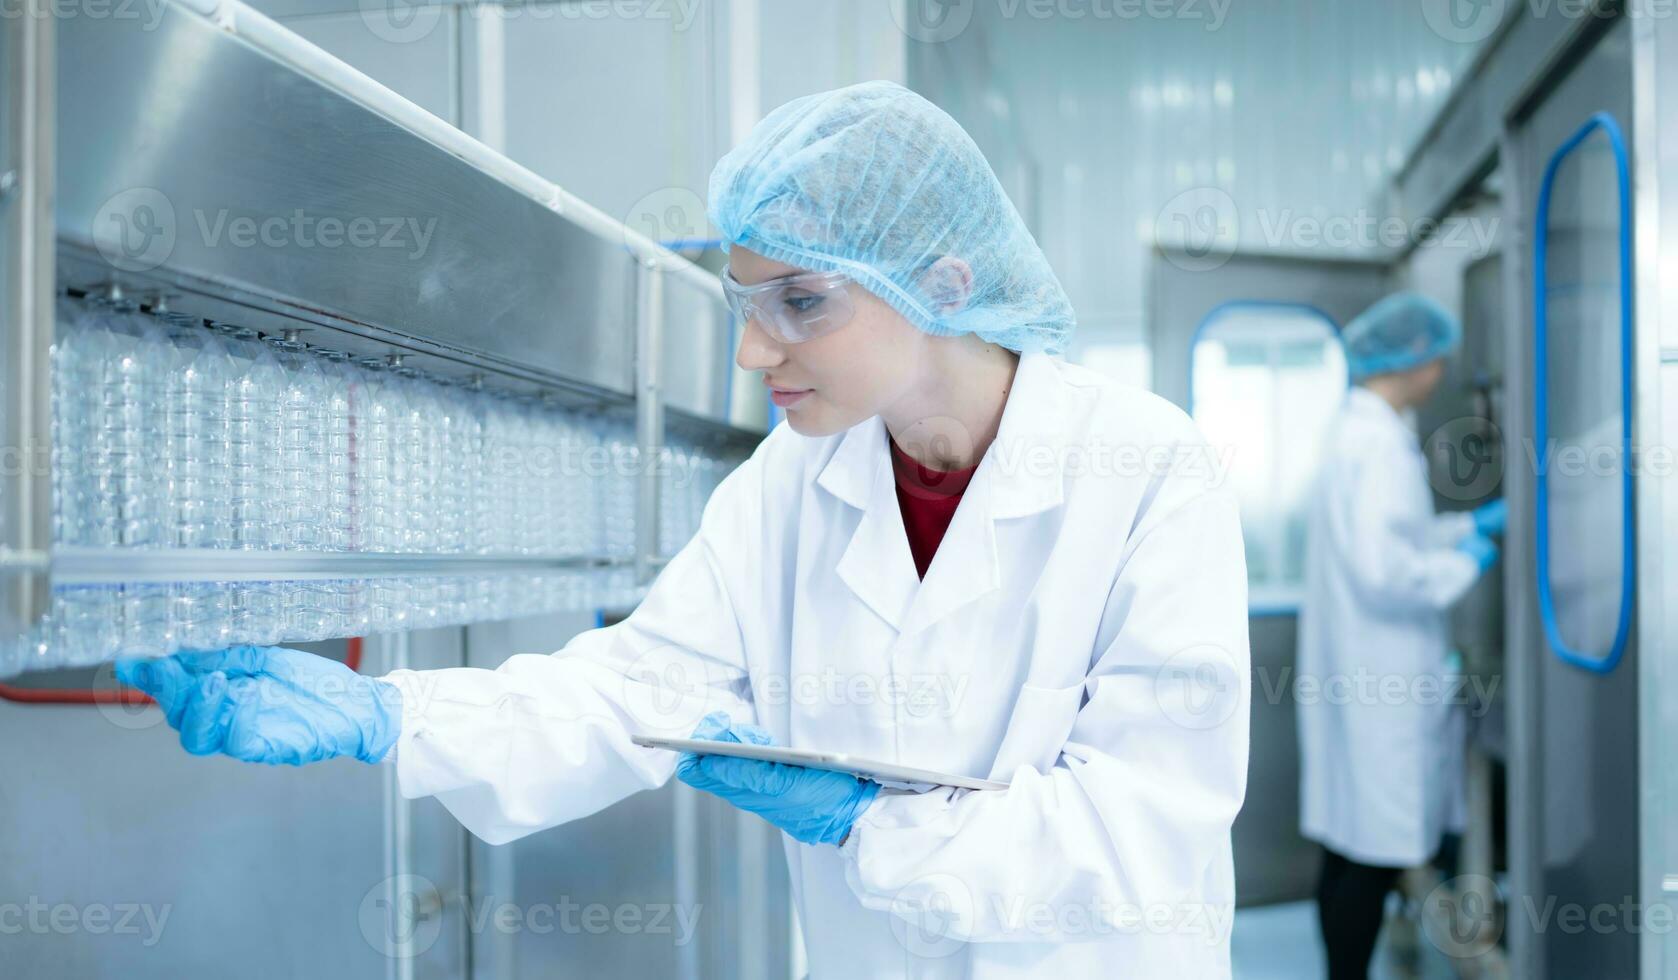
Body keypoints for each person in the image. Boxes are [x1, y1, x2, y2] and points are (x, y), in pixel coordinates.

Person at [117, 81, 1252, 976]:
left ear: (943, 282)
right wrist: (392, 715)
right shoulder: (788, 484)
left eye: (800, 301)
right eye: (744, 302)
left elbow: (1143, 826)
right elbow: (635, 689)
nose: (755, 351)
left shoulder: (1146, 471)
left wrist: (871, 824)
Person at [1296, 292, 1506, 980]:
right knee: (1373, 852)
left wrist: (1462, 529)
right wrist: (1466, 560)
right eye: (1437, 354)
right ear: (1414, 360)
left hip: (1358, 678)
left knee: (1351, 843)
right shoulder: (1376, 446)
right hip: (1379, 683)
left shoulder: (1360, 435)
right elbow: (1389, 572)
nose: (1443, 366)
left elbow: (1390, 542)